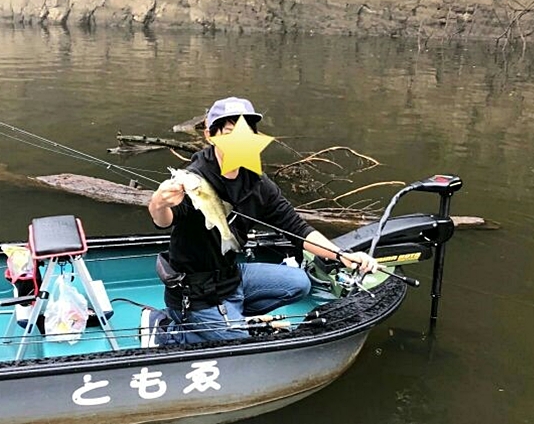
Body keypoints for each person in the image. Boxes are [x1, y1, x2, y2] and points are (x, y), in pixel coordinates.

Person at [143, 96, 378, 347]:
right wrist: (159, 202)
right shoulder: (194, 179)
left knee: (299, 283)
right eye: (229, 132)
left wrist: (341, 255)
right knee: (242, 344)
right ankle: (167, 330)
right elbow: (164, 220)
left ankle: (231, 318)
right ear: (211, 135)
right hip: (196, 293)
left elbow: (297, 229)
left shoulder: (257, 183)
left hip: (231, 277)